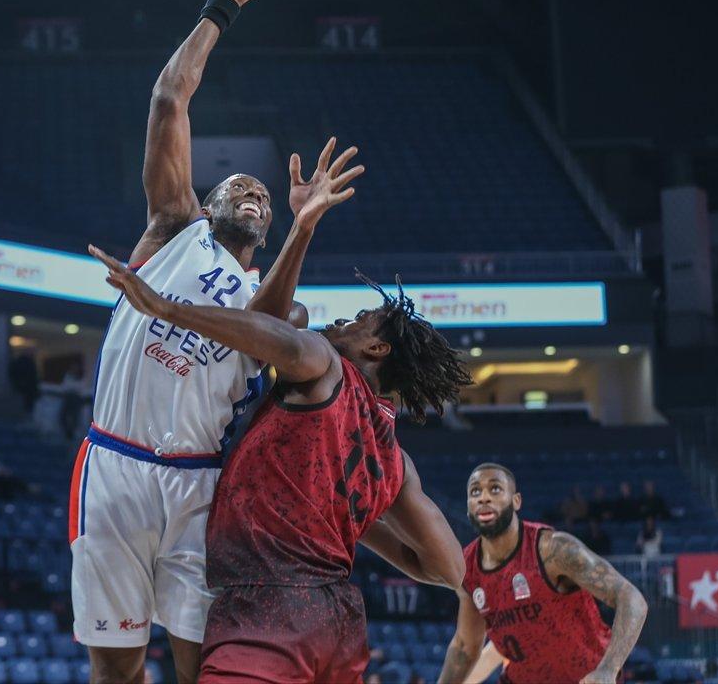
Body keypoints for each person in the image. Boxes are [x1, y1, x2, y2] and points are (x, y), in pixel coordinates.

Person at [70, 0, 362, 684]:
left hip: (204, 486)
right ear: (206, 202)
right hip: (118, 465)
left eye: (264, 195)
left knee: (212, 671)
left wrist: (302, 225)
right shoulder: (174, 229)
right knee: (117, 672)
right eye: (239, 185)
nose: (254, 192)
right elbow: (170, 98)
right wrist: (222, 6)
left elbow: (265, 333)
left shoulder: (274, 307)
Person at [92, 247, 470, 683]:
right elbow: (448, 569)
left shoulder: (327, 366)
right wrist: (345, 522)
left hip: (269, 609)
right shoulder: (395, 461)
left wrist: (163, 307)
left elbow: (271, 334)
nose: (340, 323)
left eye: (358, 320)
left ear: (377, 347)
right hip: (339, 623)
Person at [440, 464, 648, 684]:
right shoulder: (466, 569)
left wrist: (608, 669)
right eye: (475, 492)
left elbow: (631, 598)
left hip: (587, 676)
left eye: (495, 489)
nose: (484, 498)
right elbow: (465, 647)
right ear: (468, 507)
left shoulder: (554, 550)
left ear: (516, 501)